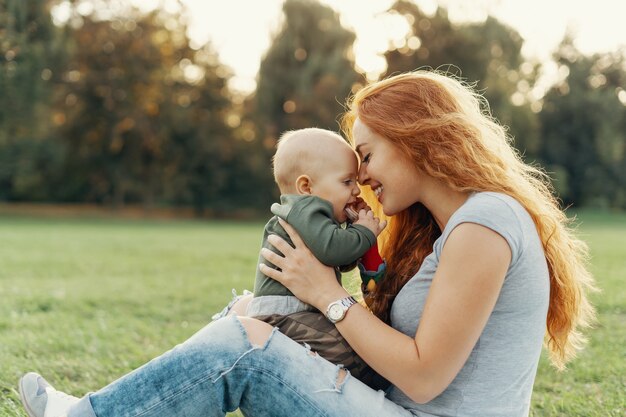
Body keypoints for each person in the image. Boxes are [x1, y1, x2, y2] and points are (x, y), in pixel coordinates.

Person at [19, 70, 596, 417]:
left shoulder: (487, 221)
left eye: (367, 155)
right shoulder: (448, 230)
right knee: (249, 316)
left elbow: (424, 378)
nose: (363, 176)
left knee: (243, 346)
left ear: (418, 139)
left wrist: (326, 294)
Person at [246, 127, 387, 388]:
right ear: (306, 186)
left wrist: (355, 235)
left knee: (344, 344)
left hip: (293, 312)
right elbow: (332, 249)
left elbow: (339, 261)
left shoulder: (312, 215)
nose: (356, 191)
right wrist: (364, 232)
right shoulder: (305, 208)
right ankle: (378, 385)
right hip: (285, 313)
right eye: (346, 182)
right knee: (351, 353)